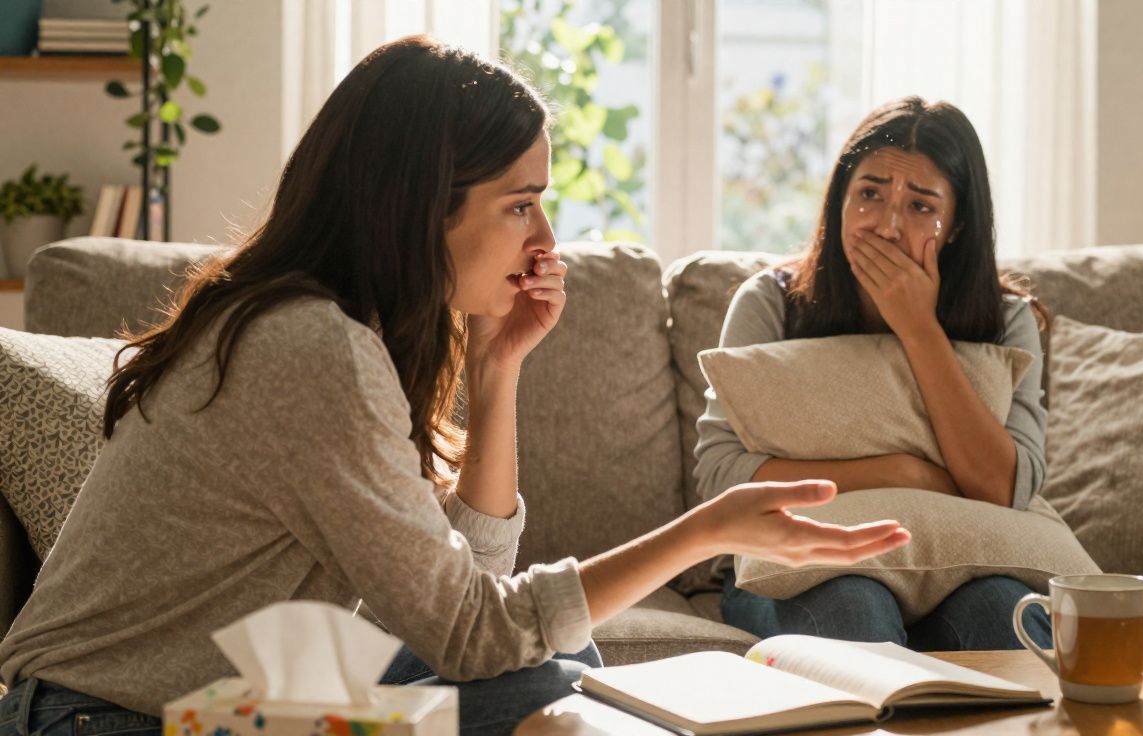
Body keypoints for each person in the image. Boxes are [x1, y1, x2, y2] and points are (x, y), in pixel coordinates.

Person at [0, 37, 912, 736]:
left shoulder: (328, 327)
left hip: (202, 696)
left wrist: (496, 369)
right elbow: (476, 633)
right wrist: (704, 530)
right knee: (548, 683)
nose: (545, 240)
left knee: (554, 657)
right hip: (106, 719)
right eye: (520, 204)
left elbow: (465, 592)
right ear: (418, 206)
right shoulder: (308, 348)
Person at [695, 96, 1053, 652]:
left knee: (1004, 615)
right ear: (840, 199)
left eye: (920, 206)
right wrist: (905, 475)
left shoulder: (1006, 320)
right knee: (854, 606)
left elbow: (1006, 489)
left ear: (957, 225)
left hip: (958, 564)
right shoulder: (771, 303)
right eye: (869, 194)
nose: (886, 226)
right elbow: (722, 474)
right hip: (795, 563)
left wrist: (919, 329)